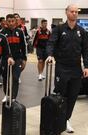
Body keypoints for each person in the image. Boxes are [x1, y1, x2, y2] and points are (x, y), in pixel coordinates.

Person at [46, 4, 88, 133]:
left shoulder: (82, 31)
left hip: (76, 68)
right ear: (66, 12)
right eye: (72, 11)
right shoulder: (58, 29)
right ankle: (57, 119)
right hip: (62, 67)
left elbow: (86, 50)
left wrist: (86, 66)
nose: (74, 13)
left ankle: (66, 119)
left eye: (76, 12)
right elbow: (51, 43)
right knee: (60, 95)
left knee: (73, 96)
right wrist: (50, 55)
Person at [0, 14, 27, 102]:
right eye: (9, 21)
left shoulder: (20, 32)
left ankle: (13, 97)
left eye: (13, 21)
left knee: (15, 78)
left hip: (17, 59)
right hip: (5, 60)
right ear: (6, 22)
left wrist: (24, 59)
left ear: (15, 21)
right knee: (6, 78)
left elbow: (24, 46)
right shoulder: (2, 33)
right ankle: (7, 95)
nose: (11, 23)